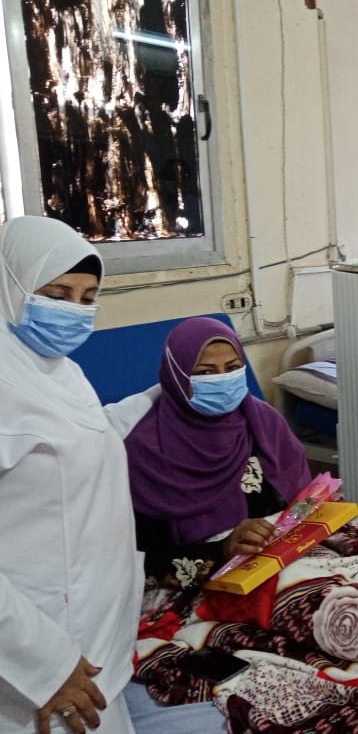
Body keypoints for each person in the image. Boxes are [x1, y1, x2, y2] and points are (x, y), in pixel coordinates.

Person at [0, 216, 144, 733]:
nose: (73, 311)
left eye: (87, 298)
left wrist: (161, 395)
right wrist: (44, 665)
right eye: (57, 294)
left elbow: (85, 435)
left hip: (88, 645)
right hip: (30, 664)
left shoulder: (57, 369)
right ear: (11, 285)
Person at [124, 316, 314, 589]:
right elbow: (138, 564)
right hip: (204, 582)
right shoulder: (144, 452)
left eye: (232, 367)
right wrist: (223, 550)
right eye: (205, 372)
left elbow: (301, 500)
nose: (221, 379)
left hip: (286, 554)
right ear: (177, 376)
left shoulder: (264, 423)